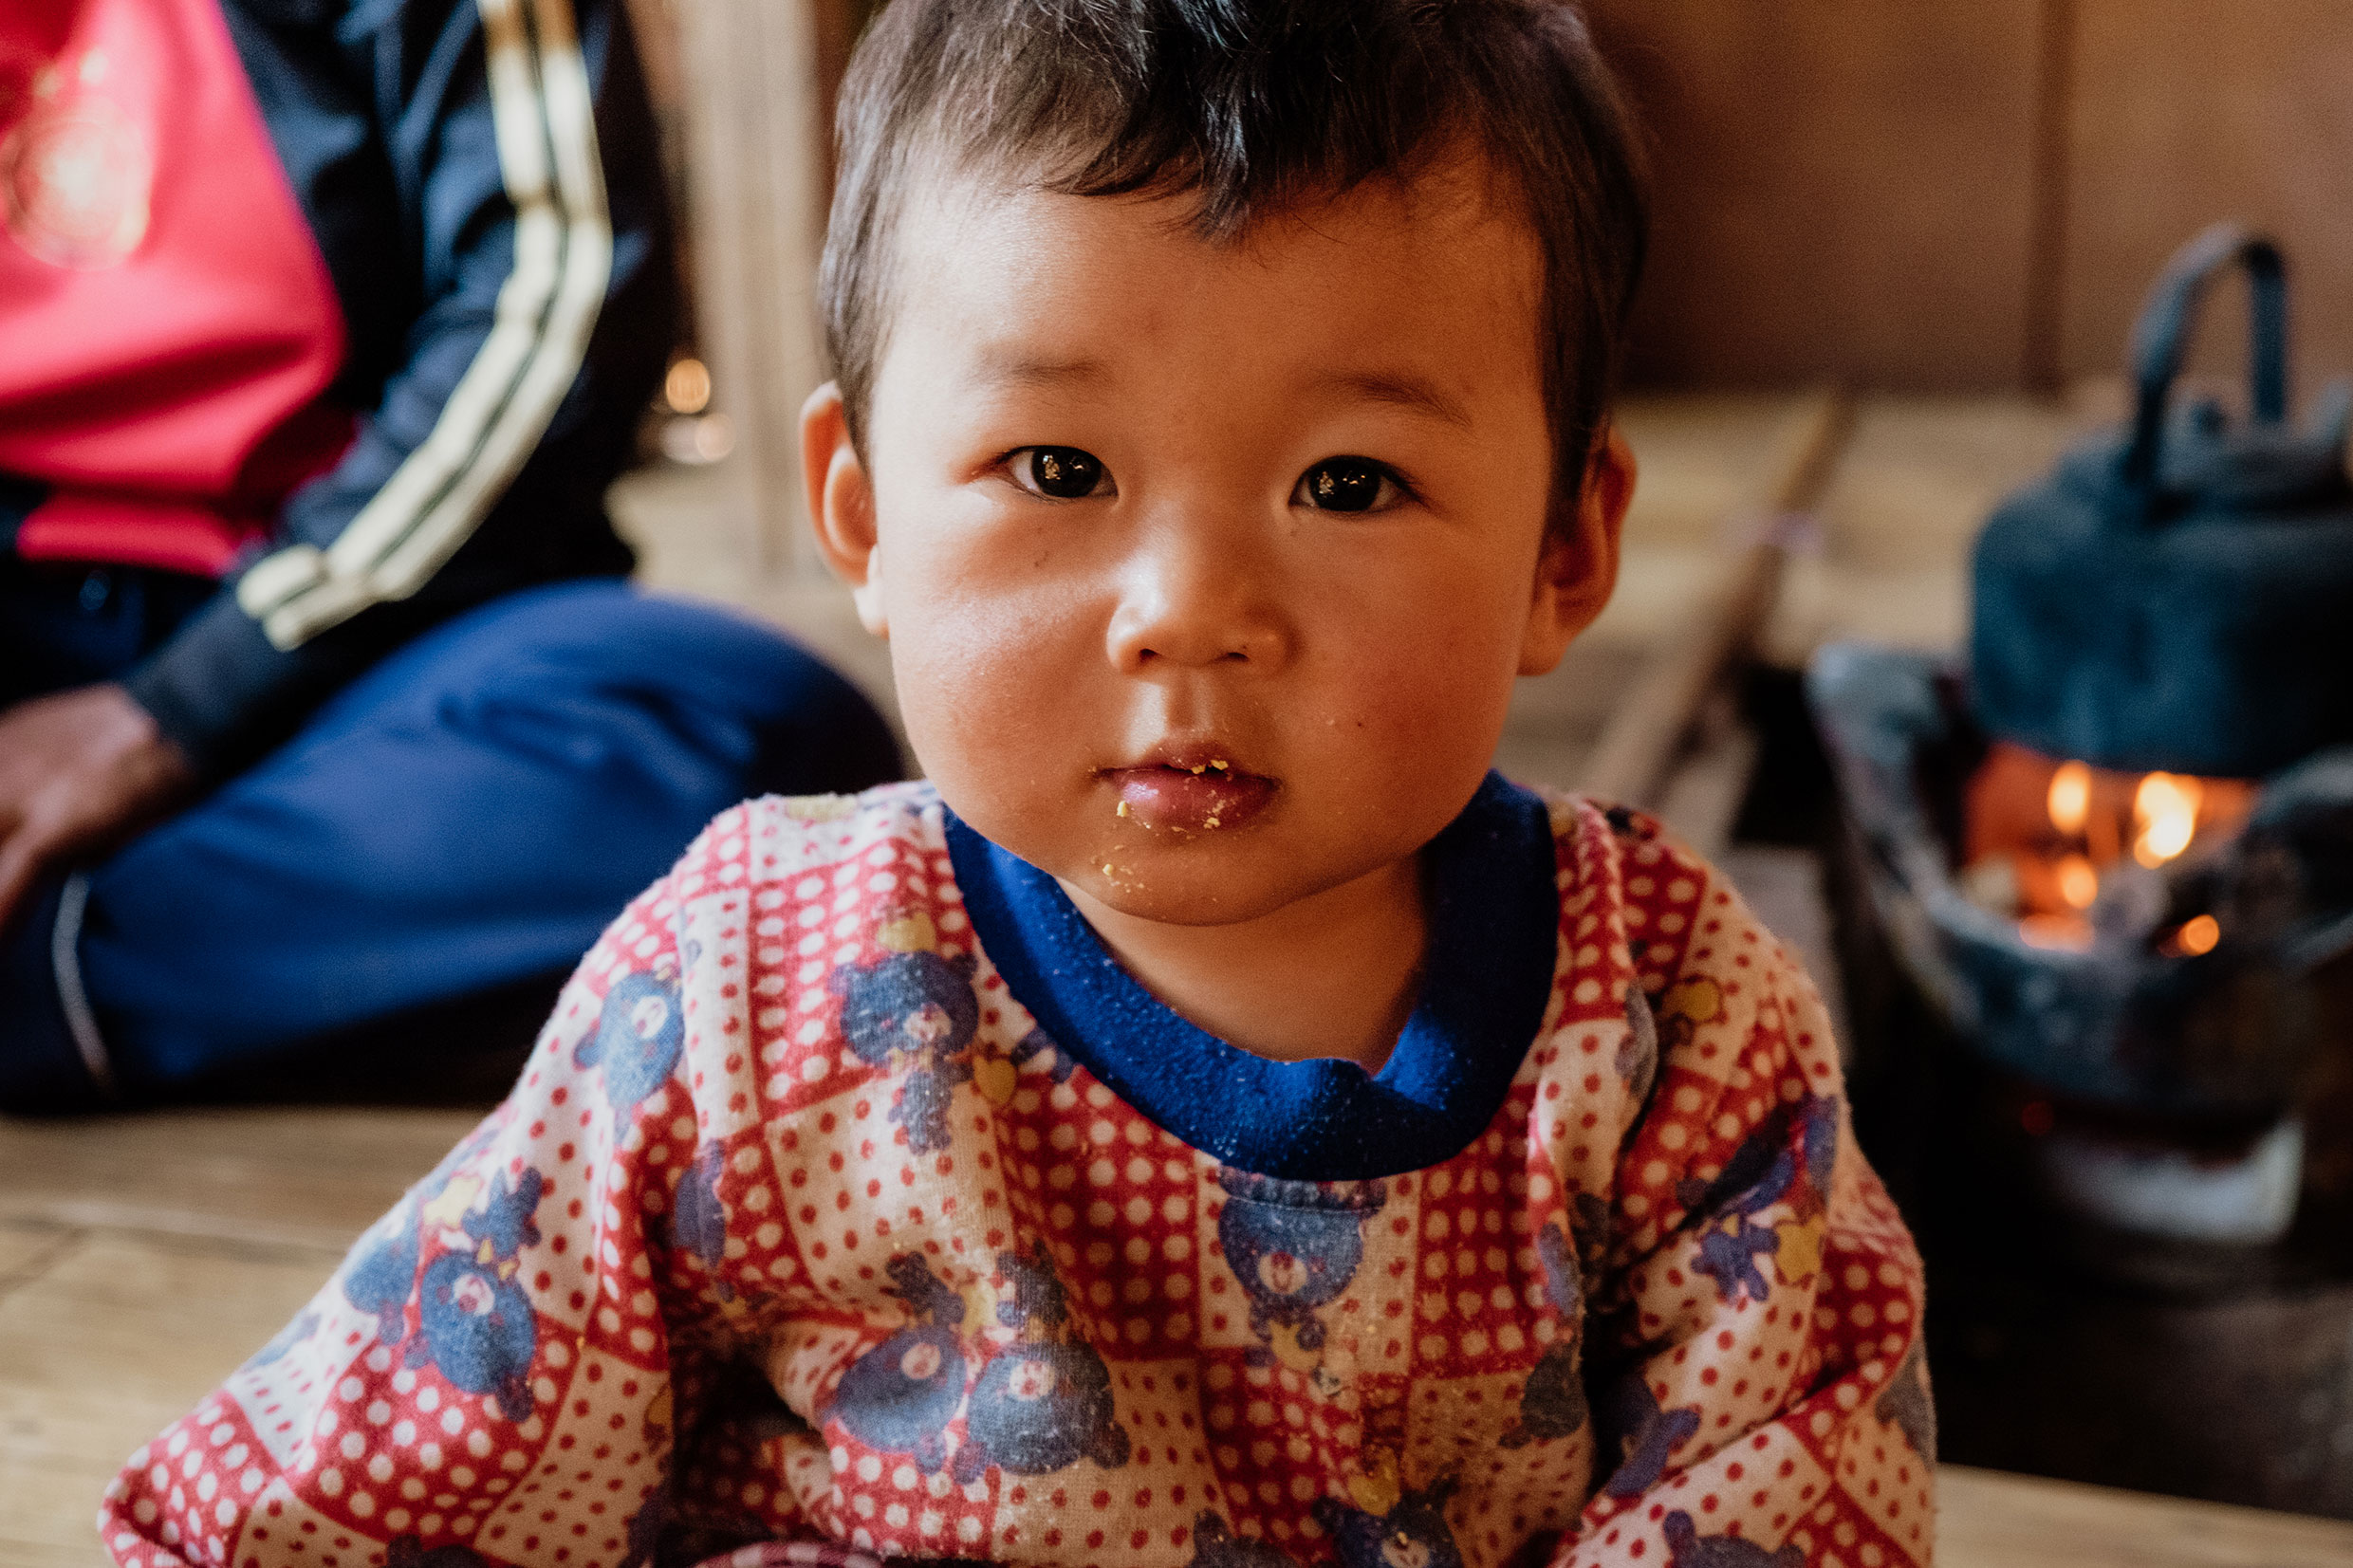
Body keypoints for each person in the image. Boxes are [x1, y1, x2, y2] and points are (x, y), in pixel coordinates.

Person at [99, 0, 1933, 1562]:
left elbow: (1791, 1486)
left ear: (1564, 548)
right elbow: (385, 1451)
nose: (1189, 615)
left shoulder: (1675, 1026)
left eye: (1349, 485)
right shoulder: (750, 993)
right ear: (863, 513)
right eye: (1057, 467)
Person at [0, 0, 899, 1111]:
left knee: (753, 750)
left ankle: (53, 972)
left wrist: (176, 709)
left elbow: (553, 307)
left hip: (346, 642)